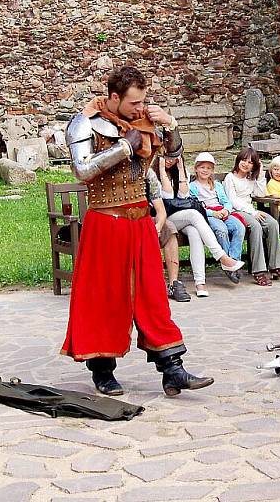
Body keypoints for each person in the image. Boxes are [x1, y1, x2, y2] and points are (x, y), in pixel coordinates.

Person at [62, 65, 213, 397]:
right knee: (105, 299)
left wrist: (170, 125)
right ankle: (103, 371)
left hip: (140, 220)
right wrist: (124, 147)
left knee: (153, 295)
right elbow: (82, 170)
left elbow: (171, 155)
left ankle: (173, 370)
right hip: (105, 222)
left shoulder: (142, 123)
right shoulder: (84, 122)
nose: (140, 108)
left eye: (143, 101)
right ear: (114, 97)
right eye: (133, 103)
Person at [155, 156, 244, 298]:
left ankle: (200, 283)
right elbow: (168, 195)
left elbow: (183, 196)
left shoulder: (180, 172)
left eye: (174, 157)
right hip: (165, 218)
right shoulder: (154, 173)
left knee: (194, 232)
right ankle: (221, 257)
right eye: (167, 157)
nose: (170, 160)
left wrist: (180, 168)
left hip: (183, 218)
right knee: (194, 214)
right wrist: (161, 169)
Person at [223, 148, 280, 286]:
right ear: (238, 160)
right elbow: (233, 200)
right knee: (255, 226)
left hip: (250, 210)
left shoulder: (250, 178)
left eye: (250, 162)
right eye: (244, 160)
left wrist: (260, 174)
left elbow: (260, 194)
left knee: (272, 223)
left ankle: (276, 265)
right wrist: (253, 213)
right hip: (236, 212)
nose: (246, 164)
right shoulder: (230, 178)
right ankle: (258, 270)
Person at [188, 153, 246, 285]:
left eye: (208, 168)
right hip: (207, 214)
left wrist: (226, 210)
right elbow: (195, 207)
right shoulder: (193, 187)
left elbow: (227, 201)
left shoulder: (217, 185)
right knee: (221, 229)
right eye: (202, 167)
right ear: (196, 169)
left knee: (239, 227)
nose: (205, 170)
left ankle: (233, 261)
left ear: (212, 171)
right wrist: (212, 214)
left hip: (221, 211)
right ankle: (227, 262)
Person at [146, 168, 190, 303]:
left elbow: (161, 211)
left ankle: (173, 283)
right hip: (120, 221)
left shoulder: (148, 175)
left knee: (169, 228)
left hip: (144, 218)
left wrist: (158, 227)